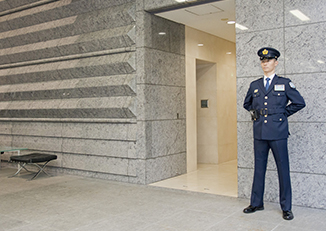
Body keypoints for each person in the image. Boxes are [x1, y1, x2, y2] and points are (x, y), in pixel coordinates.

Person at [242, 47, 305, 220]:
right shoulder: (254, 85)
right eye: (263, 61)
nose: (265, 63)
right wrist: (256, 113)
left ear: (275, 62)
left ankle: (286, 207)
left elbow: (299, 102)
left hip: (278, 133)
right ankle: (256, 203)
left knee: (283, 170)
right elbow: (247, 103)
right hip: (260, 132)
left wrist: (282, 114)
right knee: (259, 169)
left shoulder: (284, 83)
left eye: (268, 60)